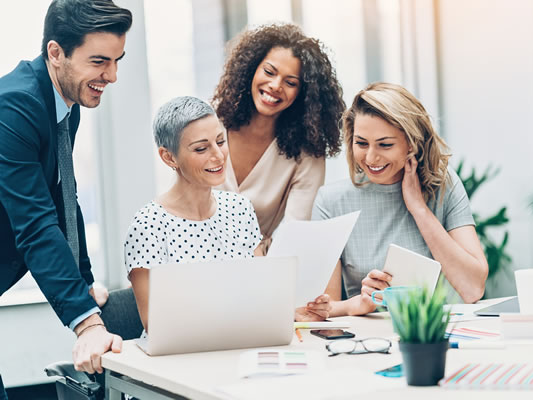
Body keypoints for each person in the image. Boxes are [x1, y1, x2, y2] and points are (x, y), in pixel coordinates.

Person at [0, 0, 132, 386]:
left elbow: (63, 195)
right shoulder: (15, 107)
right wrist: (86, 323)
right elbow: (36, 222)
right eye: (99, 62)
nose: (112, 75)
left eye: (117, 60)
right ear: (56, 53)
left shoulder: (62, 101)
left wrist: (84, 282)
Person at [125, 97, 331, 332]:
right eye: (201, 148)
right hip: (180, 360)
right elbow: (156, 325)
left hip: (241, 346)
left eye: (221, 141)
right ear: (169, 157)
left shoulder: (240, 209)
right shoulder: (148, 225)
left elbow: (262, 297)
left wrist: (293, 312)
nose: (219, 155)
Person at [312, 82, 489, 317]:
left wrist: (419, 209)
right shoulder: (331, 202)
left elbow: (473, 288)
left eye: (385, 145)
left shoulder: (444, 186)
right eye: (361, 143)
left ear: (411, 144)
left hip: (438, 333)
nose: (371, 157)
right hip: (370, 341)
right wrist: (360, 303)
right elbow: (323, 308)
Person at [212, 23, 345, 253]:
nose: (275, 86)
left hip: (256, 268)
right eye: (269, 72)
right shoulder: (209, 122)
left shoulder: (307, 154)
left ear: (303, 93)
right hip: (193, 258)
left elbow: (296, 233)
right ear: (252, 68)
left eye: (290, 82)